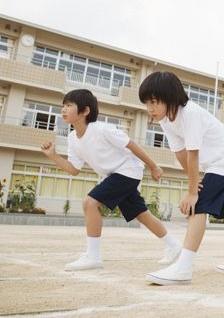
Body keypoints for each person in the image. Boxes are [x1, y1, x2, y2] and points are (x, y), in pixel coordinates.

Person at [40, 89, 181, 271]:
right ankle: (174, 245)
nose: (63, 110)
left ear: (85, 111)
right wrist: (53, 156)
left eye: (69, 105)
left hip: (127, 171)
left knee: (90, 203)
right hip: (114, 175)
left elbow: (131, 145)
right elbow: (74, 170)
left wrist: (154, 166)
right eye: (63, 106)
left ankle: (93, 256)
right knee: (141, 213)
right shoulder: (72, 139)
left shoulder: (102, 129)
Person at [139, 71, 224, 285]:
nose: (150, 109)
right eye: (147, 103)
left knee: (197, 206)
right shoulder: (166, 120)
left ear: (170, 97)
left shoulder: (190, 113)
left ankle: (183, 268)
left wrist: (193, 192)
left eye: (154, 102)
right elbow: (180, 153)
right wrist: (195, 181)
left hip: (223, 160)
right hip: (213, 164)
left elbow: (193, 153)